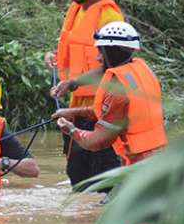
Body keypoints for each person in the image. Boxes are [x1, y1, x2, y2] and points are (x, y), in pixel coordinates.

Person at [46, 0, 124, 186]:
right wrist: (54, 55)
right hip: (77, 105)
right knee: (77, 175)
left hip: (102, 105)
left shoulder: (109, 17)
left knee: (103, 174)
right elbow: (75, 48)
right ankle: (81, 221)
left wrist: (72, 83)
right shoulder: (77, 8)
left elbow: (114, 65)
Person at [54, 22, 167, 166]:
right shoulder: (140, 72)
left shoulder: (118, 90)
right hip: (159, 157)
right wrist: (72, 112)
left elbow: (96, 142)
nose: (98, 58)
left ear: (112, 51)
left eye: (101, 51)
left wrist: (70, 129)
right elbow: (114, 111)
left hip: (139, 167)